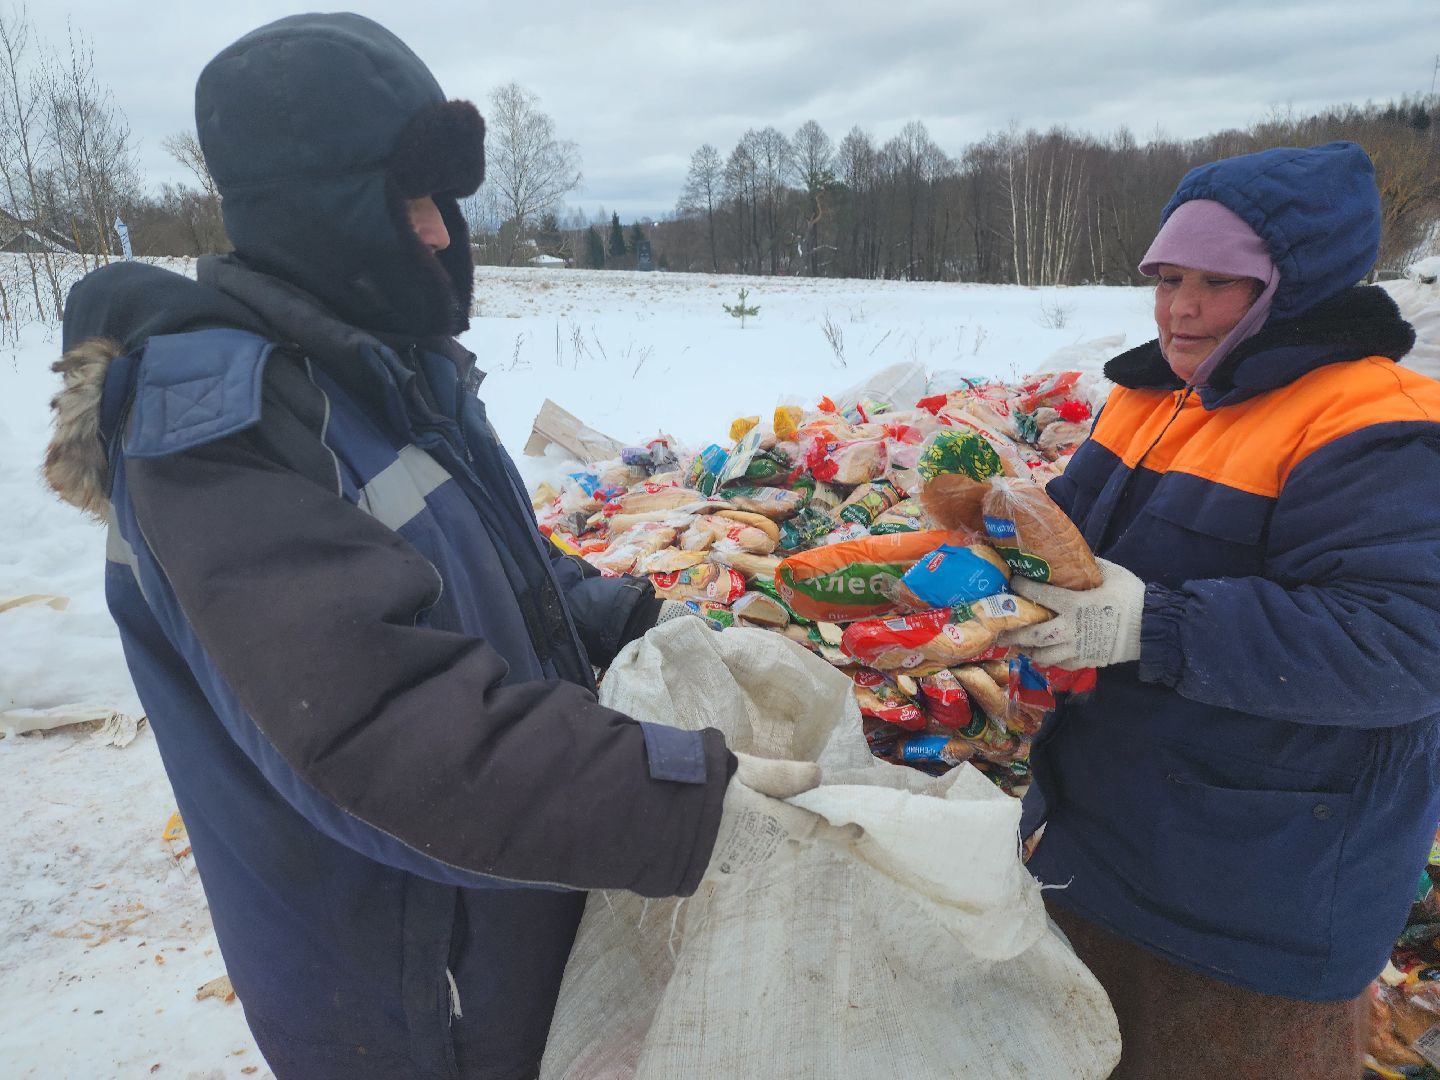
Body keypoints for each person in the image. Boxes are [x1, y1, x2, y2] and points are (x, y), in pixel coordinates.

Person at [42, 14, 839, 1080]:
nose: (436, 233)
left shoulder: (388, 374)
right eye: (409, 197)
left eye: (445, 201)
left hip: (492, 923)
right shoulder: (218, 431)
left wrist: (651, 627)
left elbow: (499, 567)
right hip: (408, 991)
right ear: (318, 208)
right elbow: (380, 733)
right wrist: (693, 803)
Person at [1001, 141, 1440, 1078]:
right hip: (1098, 836)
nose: (1179, 306)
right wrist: (988, 556)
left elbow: (1407, 644)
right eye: (1166, 276)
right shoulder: (1151, 395)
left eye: (1219, 282)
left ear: (1300, 282)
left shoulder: (1379, 422)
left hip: (1252, 903)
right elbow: (1074, 544)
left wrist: (1148, 624)